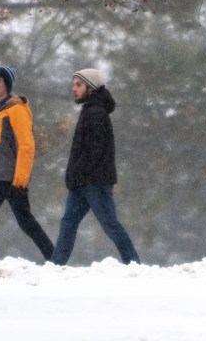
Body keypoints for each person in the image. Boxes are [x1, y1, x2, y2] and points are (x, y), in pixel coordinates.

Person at [49, 68, 140, 265]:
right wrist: (75, 176)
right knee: (68, 223)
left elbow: (95, 149)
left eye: (79, 85)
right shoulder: (90, 110)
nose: (74, 89)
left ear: (91, 87)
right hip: (82, 182)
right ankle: (56, 265)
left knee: (110, 224)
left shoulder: (96, 113)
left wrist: (77, 172)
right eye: (73, 85)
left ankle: (134, 264)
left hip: (95, 181)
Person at [0, 65, 55, 261]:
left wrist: (20, 182)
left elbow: (26, 146)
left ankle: (55, 259)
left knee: (26, 222)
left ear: (6, 84)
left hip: (11, 179)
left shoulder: (16, 109)